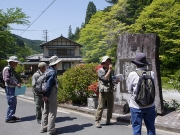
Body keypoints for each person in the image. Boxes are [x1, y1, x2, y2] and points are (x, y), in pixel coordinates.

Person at [126, 53, 156, 135]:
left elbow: (129, 90)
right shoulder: (152, 73)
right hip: (150, 104)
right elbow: (154, 87)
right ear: (145, 63)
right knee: (151, 128)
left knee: (136, 128)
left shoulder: (132, 74)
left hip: (136, 106)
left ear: (136, 64)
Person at [95, 56, 121, 128]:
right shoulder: (100, 71)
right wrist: (109, 70)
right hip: (103, 91)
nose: (107, 63)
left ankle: (108, 119)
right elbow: (105, 78)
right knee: (101, 106)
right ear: (103, 63)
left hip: (110, 90)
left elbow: (112, 79)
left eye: (108, 61)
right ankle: (97, 121)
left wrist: (116, 81)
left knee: (110, 106)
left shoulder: (111, 71)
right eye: (106, 62)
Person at [40, 56, 61, 135]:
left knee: (46, 110)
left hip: (44, 91)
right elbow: (49, 85)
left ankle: (44, 127)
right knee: (52, 111)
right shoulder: (52, 72)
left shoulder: (47, 70)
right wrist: (47, 95)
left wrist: (44, 94)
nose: (58, 64)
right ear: (55, 63)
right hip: (50, 92)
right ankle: (51, 130)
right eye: (58, 62)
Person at [3, 56, 21, 123]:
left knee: (14, 102)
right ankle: (8, 118)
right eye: (15, 63)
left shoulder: (11, 68)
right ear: (12, 62)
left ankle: (12, 115)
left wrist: (17, 83)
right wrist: (16, 84)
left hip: (12, 87)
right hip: (10, 87)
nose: (16, 64)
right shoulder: (7, 69)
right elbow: (6, 79)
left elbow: (12, 78)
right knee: (11, 102)